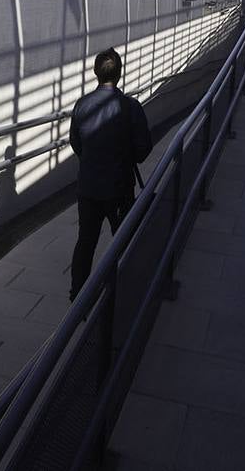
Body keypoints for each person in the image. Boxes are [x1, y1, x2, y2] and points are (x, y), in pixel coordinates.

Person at [68, 48, 153, 301]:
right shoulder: (130, 107)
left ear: (95, 73)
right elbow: (143, 149)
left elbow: (76, 143)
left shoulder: (82, 105)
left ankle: (78, 296)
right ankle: (122, 292)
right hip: (119, 189)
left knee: (85, 242)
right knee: (124, 241)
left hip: (89, 188)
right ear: (120, 73)